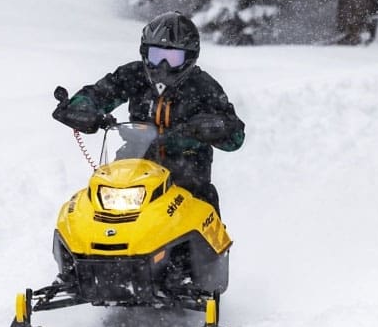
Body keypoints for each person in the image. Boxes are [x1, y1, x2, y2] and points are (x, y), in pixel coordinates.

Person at [52, 12, 244, 212]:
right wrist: (81, 108)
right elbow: (99, 93)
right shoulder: (133, 75)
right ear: (145, 54)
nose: (163, 66)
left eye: (173, 58)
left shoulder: (204, 87)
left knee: (204, 213)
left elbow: (235, 135)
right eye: (156, 56)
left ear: (189, 58)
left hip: (188, 169)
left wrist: (214, 127)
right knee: (99, 206)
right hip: (136, 162)